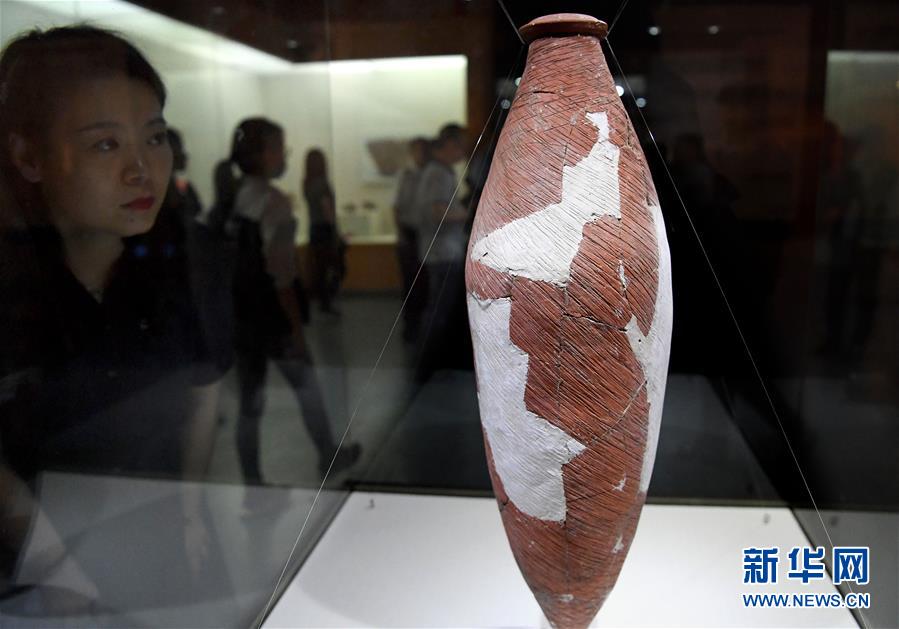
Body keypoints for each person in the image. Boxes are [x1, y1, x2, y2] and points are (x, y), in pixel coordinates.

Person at [0, 25, 226, 610]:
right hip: (37, 572)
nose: (141, 169)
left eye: (155, 137)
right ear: (27, 156)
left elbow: (204, 395)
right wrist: (54, 564)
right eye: (105, 144)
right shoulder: (16, 284)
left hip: (165, 545)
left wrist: (190, 511)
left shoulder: (182, 262)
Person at [229, 119, 359, 496]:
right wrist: (295, 329)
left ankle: (252, 480)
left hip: (243, 316)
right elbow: (281, 275)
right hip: (272, 315)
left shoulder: (236, 195)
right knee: (306, 386)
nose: (283, 157)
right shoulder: (272, 202)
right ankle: (327, 454)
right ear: (262, 154)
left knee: (250, 402)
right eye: (278, 149)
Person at [393, 137, 430, 341]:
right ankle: (410, 326)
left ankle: (424, 327)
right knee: (410, 282)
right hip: (410, 233)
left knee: (425, 282)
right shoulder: (406, 176)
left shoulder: (432, 175)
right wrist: (400, 234)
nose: (421, 155)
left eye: (424, 150)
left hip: (427, 233)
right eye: (417, 150)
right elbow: (397, 207)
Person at [303, 148, 342, 315]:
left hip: (314, 228)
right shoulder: (322, 183)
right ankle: (326, 301)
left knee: (320, 268)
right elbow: (327, 209)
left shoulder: (307, 183)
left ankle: (323, 302)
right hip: (325, 229)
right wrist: (336, 231)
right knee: (337, 267)